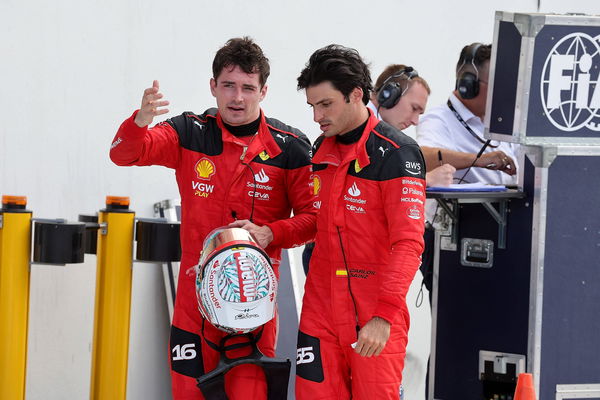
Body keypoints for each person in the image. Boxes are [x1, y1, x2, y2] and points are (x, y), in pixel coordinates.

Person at [110, 37, 316, 400]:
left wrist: (270, 233)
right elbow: (125, 155)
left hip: (254, 306)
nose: (237, 97)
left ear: (264, 91)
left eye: (248, 88)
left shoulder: (290, 147)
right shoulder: (190, 131)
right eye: (228, 86)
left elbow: (315, 219)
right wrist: (140, 121)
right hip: (193, 305)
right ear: (213, 87)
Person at [295, 44, 426, 399]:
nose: (317, 116)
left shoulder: (397, 153)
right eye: (313, 106)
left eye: (325, 105)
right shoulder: (320, 150)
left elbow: (409, 244)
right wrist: (268, 233)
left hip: (375, 319)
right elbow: (315, 222)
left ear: (356, 95)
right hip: (320, 313)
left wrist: (383, 317)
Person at [417, 43, 519, 184]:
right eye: (497, 87)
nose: (504, 94)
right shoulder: (437, 119)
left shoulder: (503, 121)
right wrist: (478, 159)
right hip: (464, 206)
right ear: (469, 85)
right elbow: (420, 157)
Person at [368, 64, 456, 187]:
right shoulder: (361, 124)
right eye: (414, 108)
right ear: (388, 95)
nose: (415, 121)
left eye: (419, 113)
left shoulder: (380, 131)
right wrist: (426, 179)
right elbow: (366, 179)